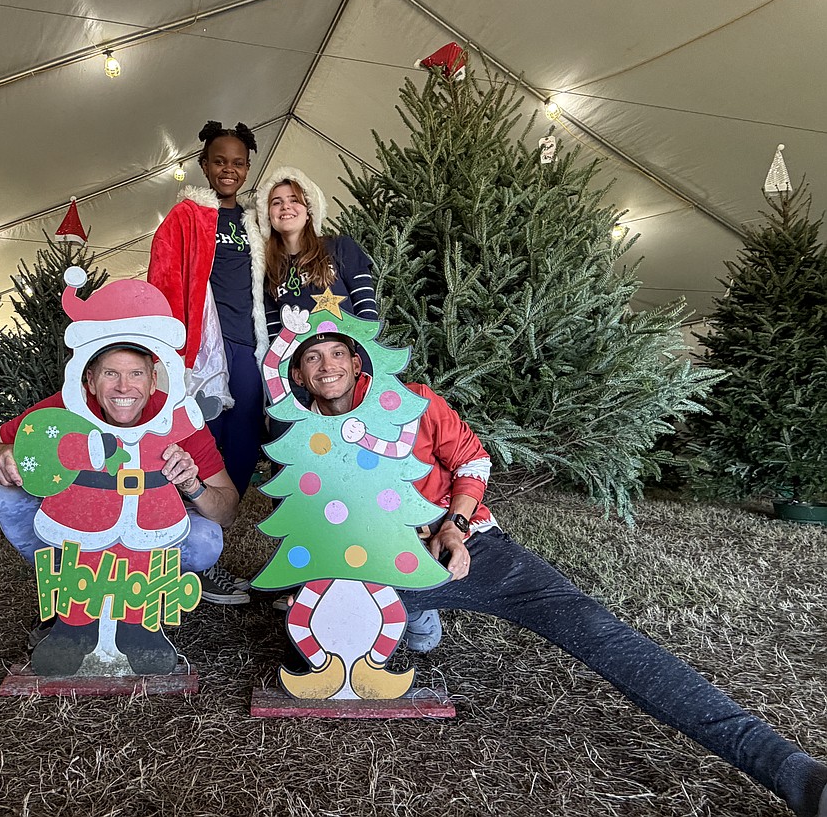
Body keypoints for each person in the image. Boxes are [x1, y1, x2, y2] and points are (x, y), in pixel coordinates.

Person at [282, 330, 827, 817]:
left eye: (337, 353)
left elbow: (472, 460)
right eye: (312, 358)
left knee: (595, 628)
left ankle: (796, 775)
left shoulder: (414, 401)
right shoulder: (302, 434)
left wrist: (454, 526)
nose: (326, 365)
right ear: (300, 375)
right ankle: (412, 619)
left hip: (465, 549)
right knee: (301, 648)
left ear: (357, 362)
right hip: (380, 568)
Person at [0, 344, 239, 658]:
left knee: (205, 539)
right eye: (111, 374)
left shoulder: (177, 416)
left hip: (146, 526)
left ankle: (147, 595)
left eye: (135, 374)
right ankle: (65, 594)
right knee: (5, 484)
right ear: (90, 382)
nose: (124, 386)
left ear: (153, 381)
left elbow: (228, 511)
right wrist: (0, 454)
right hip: (79, 527)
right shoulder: (67, 407)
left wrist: (193, 485)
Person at [147, 120, 267, 604]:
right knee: (198, 444)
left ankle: (210, 542)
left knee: (241, 448)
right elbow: (163, 276)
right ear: (204, 164)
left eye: (238, 163)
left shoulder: (256, 223)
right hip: (199, 353)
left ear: (247, 168)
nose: (229, 170)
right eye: (220, 161)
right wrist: (165, 348)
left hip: (250, 350)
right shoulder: (188, 215)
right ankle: (188, 557)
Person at [253, 166, 379, 342]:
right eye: (276, 202)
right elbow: (275, 334)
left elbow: (366, 309)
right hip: (303, 365)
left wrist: (365, 356)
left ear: (308, 211)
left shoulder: (340, 246)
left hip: (347, 358)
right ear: (268, 215)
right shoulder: (269, 270)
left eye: (294, 200)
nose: (285, 206)